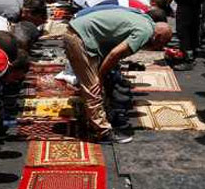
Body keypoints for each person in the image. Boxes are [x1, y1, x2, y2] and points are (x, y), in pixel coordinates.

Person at [64, 9, 173, 143]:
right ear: (157, 37)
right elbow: (114, 54)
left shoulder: (146, 21)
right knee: (94, 87)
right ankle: (102, 132)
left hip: (79, 33)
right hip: (80, 37)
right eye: (160, 44)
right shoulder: (145, 32)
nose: (158, 48)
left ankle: (93, 118)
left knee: (100, 80)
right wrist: (100, 77)